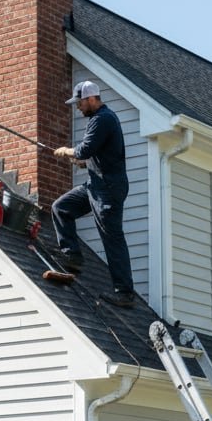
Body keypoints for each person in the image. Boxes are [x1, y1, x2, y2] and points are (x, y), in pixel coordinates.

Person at [52, 80, 135, 308]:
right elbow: (99, 154)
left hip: (107, 189)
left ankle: (125, 293)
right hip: (97, 184)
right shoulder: (101, 119)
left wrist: (68, 151)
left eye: (79, 102)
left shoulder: (102, 119)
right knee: (61, 208)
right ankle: (73, 256)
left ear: (91, 99)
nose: (78, 107)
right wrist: (83, 164)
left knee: (112, 238)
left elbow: (86, 149)